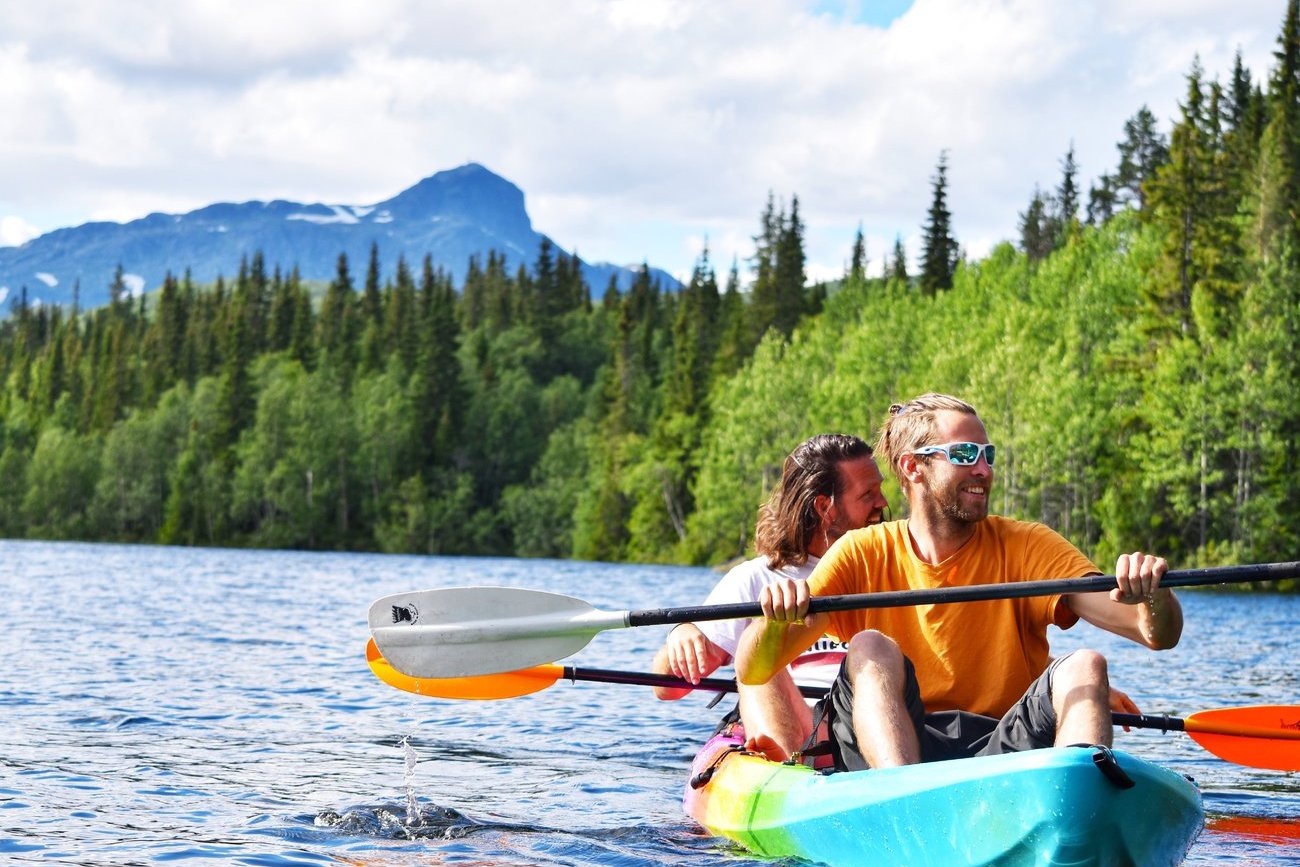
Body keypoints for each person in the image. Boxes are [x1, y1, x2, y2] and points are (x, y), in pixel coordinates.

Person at [735, 393, 1183, 771]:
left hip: (1003, 747)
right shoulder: (861, 552)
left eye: (988, 456)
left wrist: (1153, 596)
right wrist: (775, 620)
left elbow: (1153, 634)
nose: (984, 470)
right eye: (966, 456)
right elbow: (754, 670)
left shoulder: (1027, 544)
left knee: (1086, 663)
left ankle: (1078, 805)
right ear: (913, 468)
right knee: (869, 646)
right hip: (898, 749)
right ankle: (906, 801)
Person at [651, 433, 889, 759]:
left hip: (873, 724)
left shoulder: (892, 566)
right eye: (868, 494)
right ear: (825, 508)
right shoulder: (757, 578)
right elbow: (666, 688)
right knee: (759, 656)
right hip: (796, 727)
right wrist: (682, 631)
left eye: (880, 489)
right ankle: (788, 770)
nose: (883, 503)